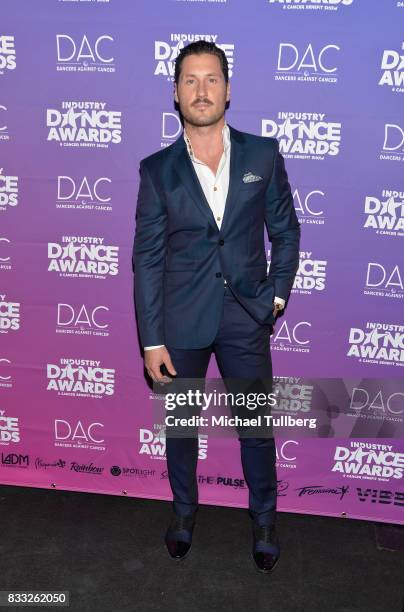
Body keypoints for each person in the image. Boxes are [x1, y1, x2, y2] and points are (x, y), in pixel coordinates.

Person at [132, 41, 300, 573]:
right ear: (175, 94)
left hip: (247, 316)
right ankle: (182, 514)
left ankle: (265, 520)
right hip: (181, 321)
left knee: (255, 425)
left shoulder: (263, 154)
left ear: (228, 89)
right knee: (181, 429)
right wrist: (151, 338)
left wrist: (275, 295)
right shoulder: (157, 170)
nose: (201, 91)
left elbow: (286, 231)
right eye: (189, 80)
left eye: (211, 79)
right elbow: (148, 257)